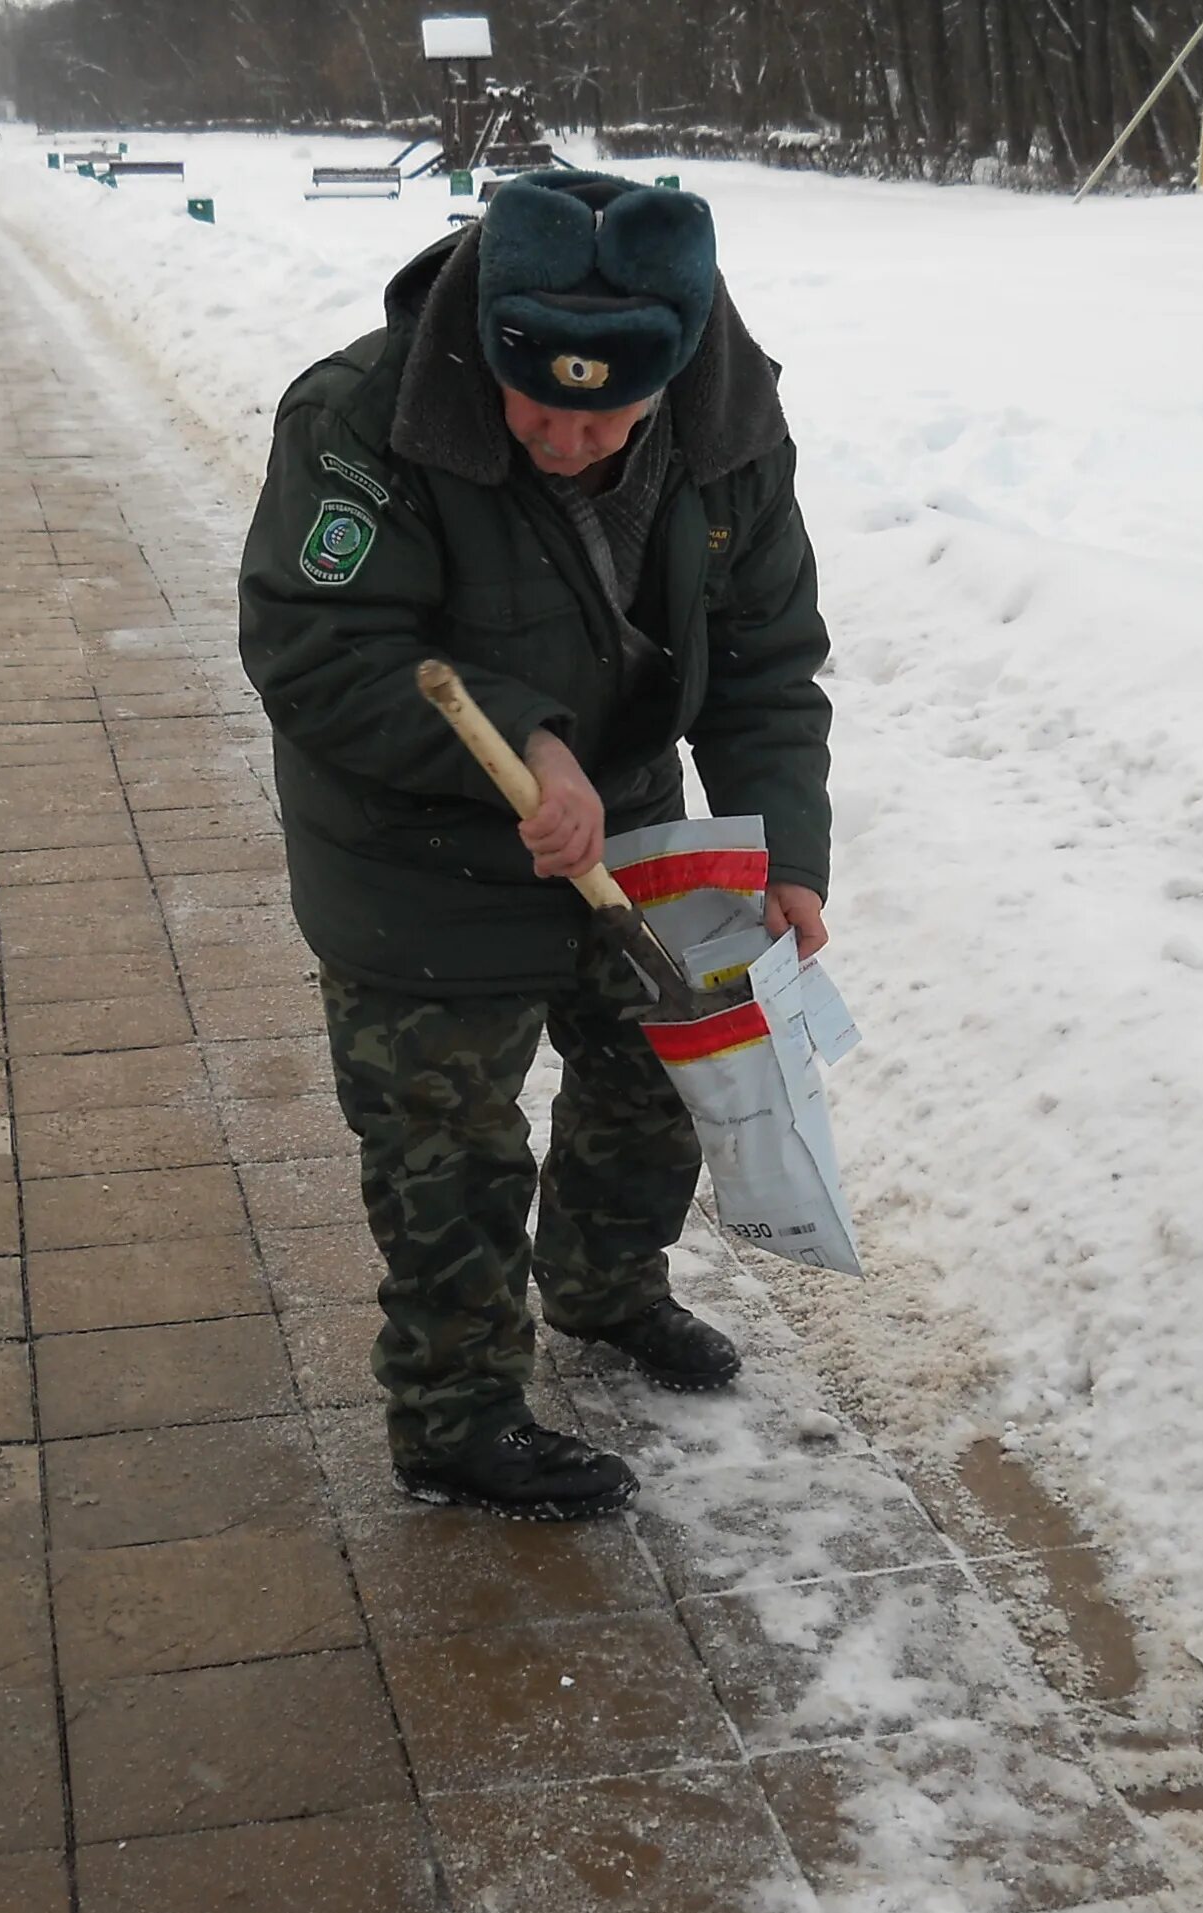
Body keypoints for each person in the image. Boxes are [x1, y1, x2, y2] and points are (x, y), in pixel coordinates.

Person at [237, 170, 836, 1520]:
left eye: (604, 412)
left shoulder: (732, 426)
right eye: (538, 405)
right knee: (447, 1140)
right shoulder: (361, 415)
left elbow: (763, 655)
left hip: (621, 820)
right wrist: (522, 736)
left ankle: (606, 1287)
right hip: (411, 851)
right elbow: (316, 643)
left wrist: (787, 848)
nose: (564, 439)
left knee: (649, 1074)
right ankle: (455, 1418)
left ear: (672, 375)